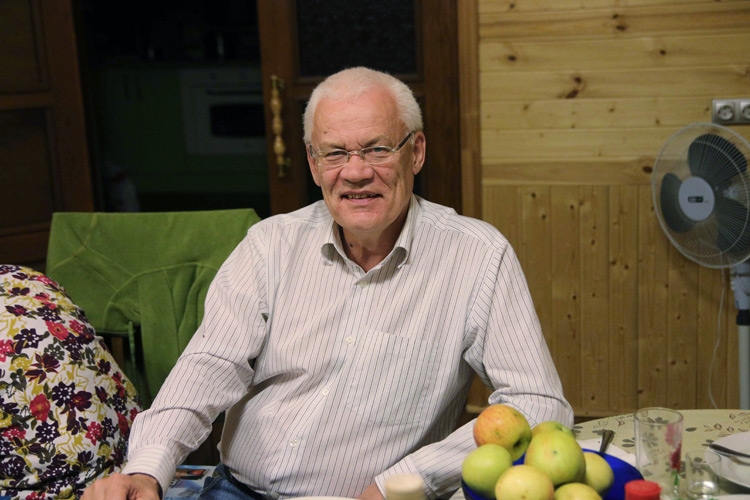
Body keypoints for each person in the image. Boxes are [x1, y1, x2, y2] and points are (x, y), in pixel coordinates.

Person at [82, 67, 573, 500]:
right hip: (238, 490)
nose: (355, 173)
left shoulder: (478, 256)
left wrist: (408, 480)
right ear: (314, 163)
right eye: (335, 153)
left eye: (377, 149)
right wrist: (147, 469)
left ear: (416, 152)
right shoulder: (269, 245)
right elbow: (209, 366)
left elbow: (537, 403)